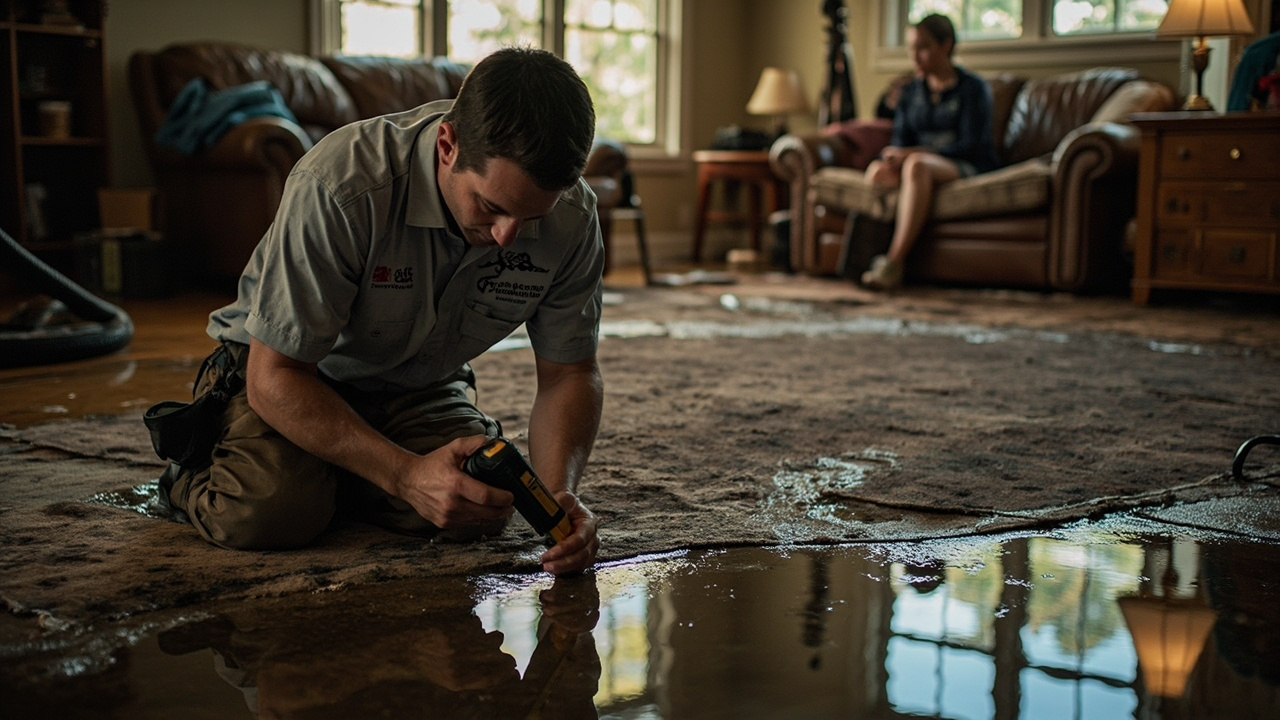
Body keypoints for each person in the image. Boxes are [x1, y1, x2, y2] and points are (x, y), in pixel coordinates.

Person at [154, 47, 603, 575]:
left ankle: (340, 475)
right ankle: (192, 476)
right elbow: (274, 376)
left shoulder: (574, 219)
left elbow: (568, 374)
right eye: (491, 206)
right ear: (447, 145)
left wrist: (556, 502)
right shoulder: (342, 185)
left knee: (476, 505)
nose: (508, 237)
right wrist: (406, 476)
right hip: (295, 373)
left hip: (419, 381)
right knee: (270, 513)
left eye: (531, 217)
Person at [859, 14, 999, 291]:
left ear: (945, 45)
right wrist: (893, 157)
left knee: (916, 166)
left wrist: (913, 154)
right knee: (878, 172)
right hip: (918, 162)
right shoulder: (910, 92)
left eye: (922, 47)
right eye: (911, 48)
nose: (915, 56)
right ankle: (863, 256)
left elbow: (971, 145)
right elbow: (900, 139)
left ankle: (893, 262)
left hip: (966, 164)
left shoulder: (972, 89)